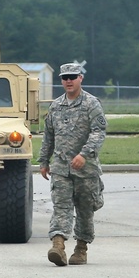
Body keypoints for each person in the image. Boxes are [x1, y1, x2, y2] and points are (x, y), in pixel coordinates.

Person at [39, 62, 107, 266]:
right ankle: (58, 245)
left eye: (72, 77)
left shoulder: (91, 103)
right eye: (65, 78)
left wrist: (84, 154)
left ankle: (81, 249)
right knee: (61, 206)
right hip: (60, 167)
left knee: (85, 209)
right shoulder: (56, 105)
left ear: (80, 78)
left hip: (86, 169)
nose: (68, 81)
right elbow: (48, 135)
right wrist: (43, 160)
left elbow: (99, 131)